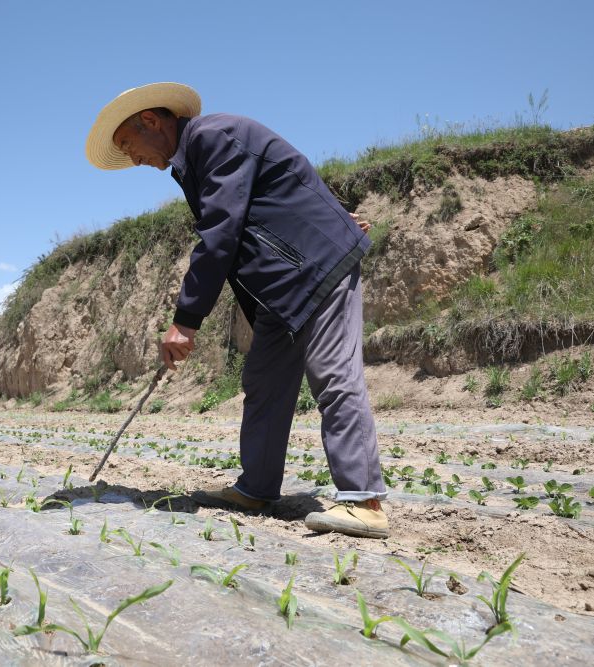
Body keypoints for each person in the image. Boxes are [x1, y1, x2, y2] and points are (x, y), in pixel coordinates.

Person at [86, 82, 388, 538]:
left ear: (150, 120)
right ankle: (256, 488)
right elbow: (287, 186)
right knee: (263, 382)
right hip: (279, 288)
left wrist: (185, 321)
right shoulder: (195, 159)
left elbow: (220, 233)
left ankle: (364, 501)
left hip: (316, 269)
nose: (132, 159)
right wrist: (333, 213)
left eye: (128, 145)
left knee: (333, 373)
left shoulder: (215, 136)